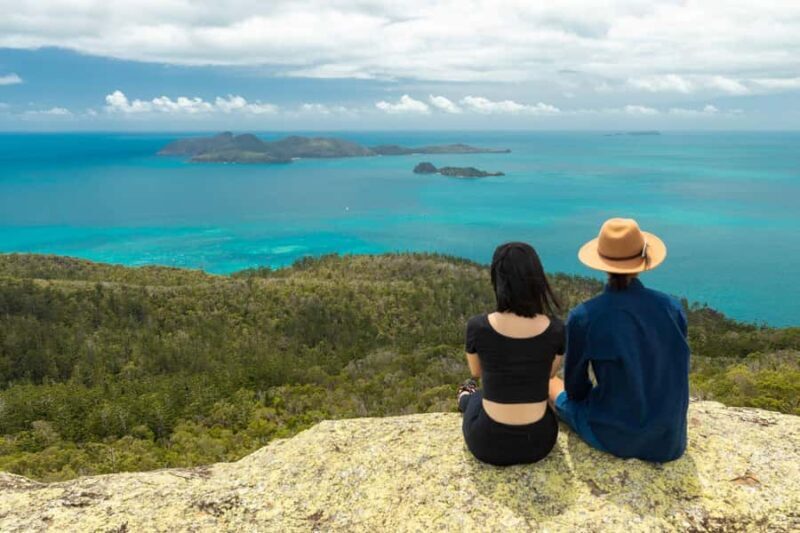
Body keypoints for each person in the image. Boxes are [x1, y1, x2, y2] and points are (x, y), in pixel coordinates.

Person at [549, 218, 690, 462]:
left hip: (616, 435)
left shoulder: (585, 316)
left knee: (550, 383)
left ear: (602, 263)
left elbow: (575, 388)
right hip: (670, 439)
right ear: (641, 263)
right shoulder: (672, 308)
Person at [457, 242, 564, 466]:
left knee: (476, 395)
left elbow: (476, 371)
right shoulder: (556, 328)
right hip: (539, 441)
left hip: (488, 443)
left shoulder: (478, 326)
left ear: (497, 280)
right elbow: (550, 374)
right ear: (538, 279)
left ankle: (465, 397)